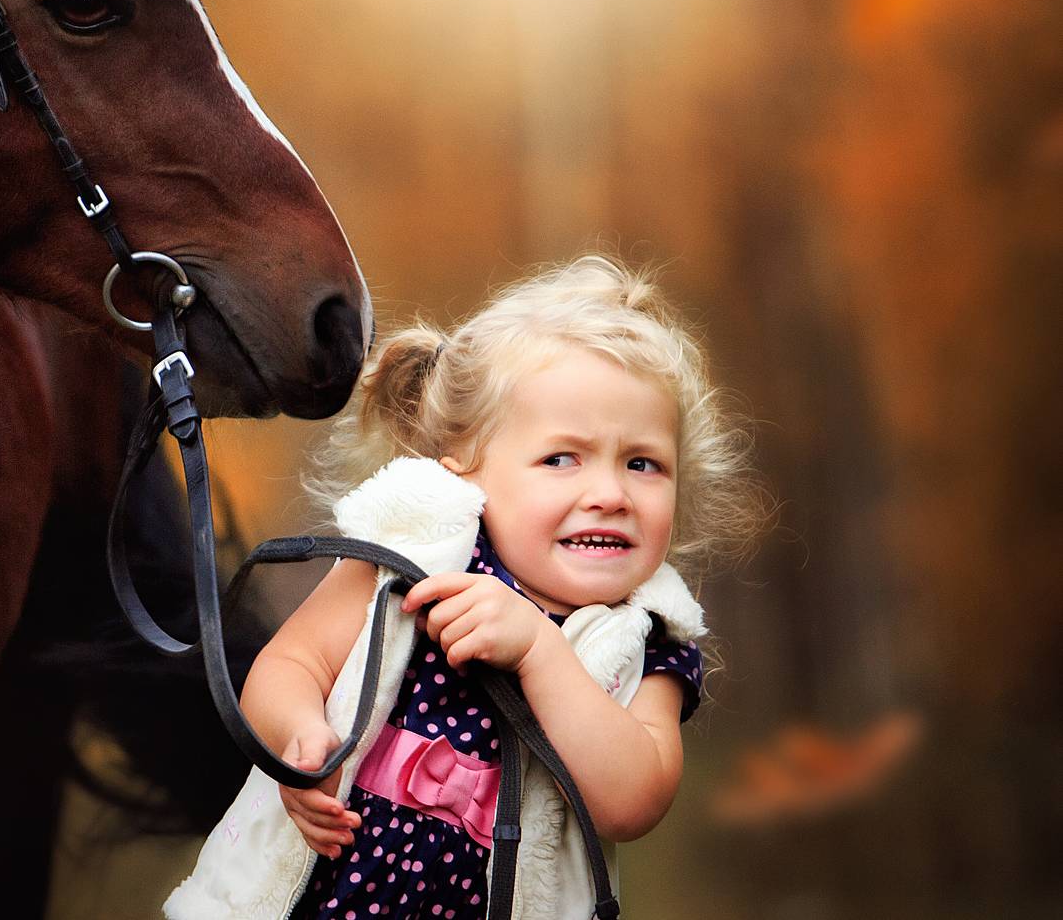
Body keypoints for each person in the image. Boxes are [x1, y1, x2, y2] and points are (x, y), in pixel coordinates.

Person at [165, 255, 767, 920]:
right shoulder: (410, 556)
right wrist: (298, 738)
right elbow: (290, 664)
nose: (610, 494)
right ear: (465, 472)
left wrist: (539, 650)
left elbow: (633, 802)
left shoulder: (647, 641)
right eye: (561, 458)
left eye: (643, 463)